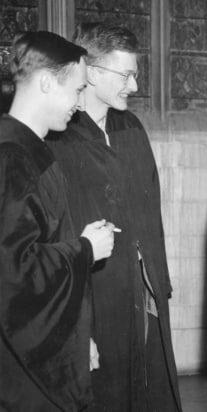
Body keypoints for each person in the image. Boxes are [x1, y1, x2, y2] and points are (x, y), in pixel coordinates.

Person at [45, 23, 181, 411]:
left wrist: (160, 281)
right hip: (92, 297)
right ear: (90, 71)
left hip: (143, 289)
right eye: (126, 75)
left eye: (135, 74)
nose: (135, 86)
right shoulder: (58, 138)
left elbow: (151, 214)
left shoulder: (131, 127)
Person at [0, 31, 116, 411]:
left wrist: (78, 336)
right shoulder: (11, 158)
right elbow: (12, 273)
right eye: (77, 89)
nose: (81, 104)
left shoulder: (34, 150)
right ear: (47, 83)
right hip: (20, 373)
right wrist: (84, 249)